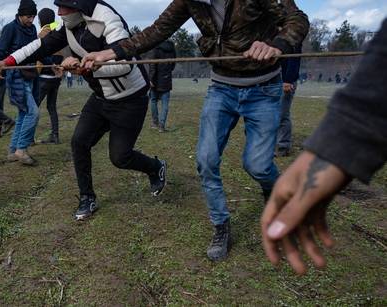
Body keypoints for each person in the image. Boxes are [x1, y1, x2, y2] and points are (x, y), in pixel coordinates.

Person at [82, 0, 309, 262]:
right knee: (206, 160)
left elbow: (297, 19)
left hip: (264, 88)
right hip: (221, 88)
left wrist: (276, 45)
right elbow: (156, 31)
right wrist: (108, 53)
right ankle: (221, 226)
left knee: (257, 165)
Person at [0, 0, 167, 221]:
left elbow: (125, 64)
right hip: (101, 98)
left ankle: (155, 167)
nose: (59, 12)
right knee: (78, 142)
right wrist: (6, 61)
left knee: (120, 157)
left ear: (79, 6)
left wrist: (83, 69)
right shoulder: (69, 27)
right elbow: (39, 46)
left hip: (129, 100)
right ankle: (87, 197)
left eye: (63, 7)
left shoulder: (108, 19)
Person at [262, 18, 387, 275]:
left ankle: (283, 145)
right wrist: (342, 142)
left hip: (288, 84)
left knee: (284, 118)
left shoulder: (289, 40)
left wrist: (344, 136)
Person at [0, 0, 40, 165]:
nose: (31, 20)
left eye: (33, 16)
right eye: (28, 16)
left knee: (23, 114)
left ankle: (13, 151)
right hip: (15, 76)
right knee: (33, 112)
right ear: (20, 14)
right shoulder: (9, 28)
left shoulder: (32, 29)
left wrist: (52, 64)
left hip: (31, 75)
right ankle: (21, 149)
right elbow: (0, 50)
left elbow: (36, 50)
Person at [36, 8, 63, 145]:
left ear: (41, 20)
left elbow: (40, 57)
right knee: (51, 107)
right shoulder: (57, 34)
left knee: (33, 107)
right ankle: (55, 136)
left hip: (44, 79)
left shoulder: (41, 34)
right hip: (56, 79)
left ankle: (28, 138)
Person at [276, 42, 302, 157]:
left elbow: (294, 60)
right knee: (270, 114)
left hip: (285, 80)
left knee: (282, 114)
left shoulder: (293, 37)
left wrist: (288, 80)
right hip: (272, 78)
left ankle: (283, 146)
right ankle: (269, 145)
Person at [148, 40, 176, 132]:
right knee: (165, 104)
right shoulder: (172, 48)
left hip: (155, 79)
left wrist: (151, 79)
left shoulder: (155, 47)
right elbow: (173, 65)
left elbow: (152, 65)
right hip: (166, 79)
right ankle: (161, 126)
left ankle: (155, 123)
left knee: (153, 101)